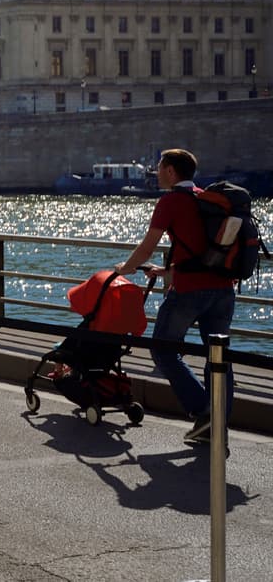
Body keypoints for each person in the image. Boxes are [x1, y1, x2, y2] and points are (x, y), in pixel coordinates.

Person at [115, 148, 235, 444]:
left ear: (171, 171)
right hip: (223, 290)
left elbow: (147, 247)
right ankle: (218, 422)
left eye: (159, 167)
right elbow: (202, 251)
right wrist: (166, 271)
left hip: (189, 291)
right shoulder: (206, 198)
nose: (156, 173)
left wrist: (125, 268)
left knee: (163, 349)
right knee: (218, 357)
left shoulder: (170, 201)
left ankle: (204, 413)